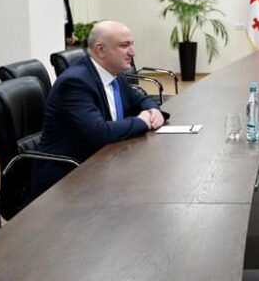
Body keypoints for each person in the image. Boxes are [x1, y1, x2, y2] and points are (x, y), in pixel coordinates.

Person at [33, 20, 166, 196]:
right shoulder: (75, 82)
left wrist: (153, 111)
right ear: (101, 50)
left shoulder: (113, 73)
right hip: (67, 180)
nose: (133, 52)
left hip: (103, 163)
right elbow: (100, 133)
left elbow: (141, 100)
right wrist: (143, 121)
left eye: (132, 44)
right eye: (124, 45)